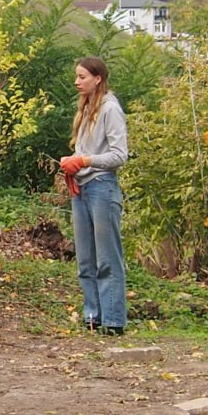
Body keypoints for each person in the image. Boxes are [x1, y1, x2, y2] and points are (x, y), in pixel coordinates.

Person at [60, 56, 129, 335]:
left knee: (107, 257)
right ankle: (93, 316)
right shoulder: (86, 107)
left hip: (102, 187)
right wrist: (72, 162)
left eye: (82, 77)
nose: (77, 82)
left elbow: (118, 155)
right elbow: (84, 152)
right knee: (86, 258)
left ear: (97, 78)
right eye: (76, 77)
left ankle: (113, 320)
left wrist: (85, 161)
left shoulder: (110, 109)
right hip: (82, 188)